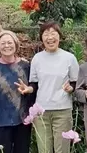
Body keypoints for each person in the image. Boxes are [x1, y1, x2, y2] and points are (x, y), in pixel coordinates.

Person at [29, 21, 80, 153]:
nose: (50, 37)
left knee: (62, 149)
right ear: (41, 38)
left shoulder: (69, 58)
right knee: (44, 149)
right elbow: (34, 84)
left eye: (53, 33)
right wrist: (28, 89)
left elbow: (76, 82)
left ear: (59, 37)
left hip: (62, 110)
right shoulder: (37, 59)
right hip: (41, 112)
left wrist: (71, 88)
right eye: (46, 34)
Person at [0, 29, 34, 153]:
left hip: (22, 119)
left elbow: (34, 86)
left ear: (15, 44)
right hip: (0, 120)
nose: (7, 46)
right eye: (3, 43)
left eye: (9, 42)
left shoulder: (25, 66)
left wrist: (28, 89)